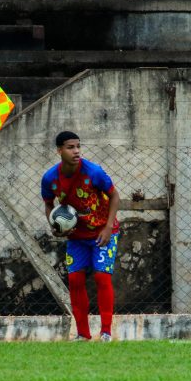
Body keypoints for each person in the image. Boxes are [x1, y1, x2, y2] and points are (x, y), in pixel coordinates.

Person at [42, 131, 121, 341]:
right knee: (75, 280)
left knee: (101, 277)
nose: (76, 151)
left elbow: (114, 195)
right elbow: (49, 204)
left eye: (78, 146)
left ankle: (105, 332)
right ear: (59, 150)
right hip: (76, 237)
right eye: (70, 147)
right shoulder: (50, 178)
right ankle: (83, 334)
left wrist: (107, 226)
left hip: (103, 233)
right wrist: (55, 227)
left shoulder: (93, 172)